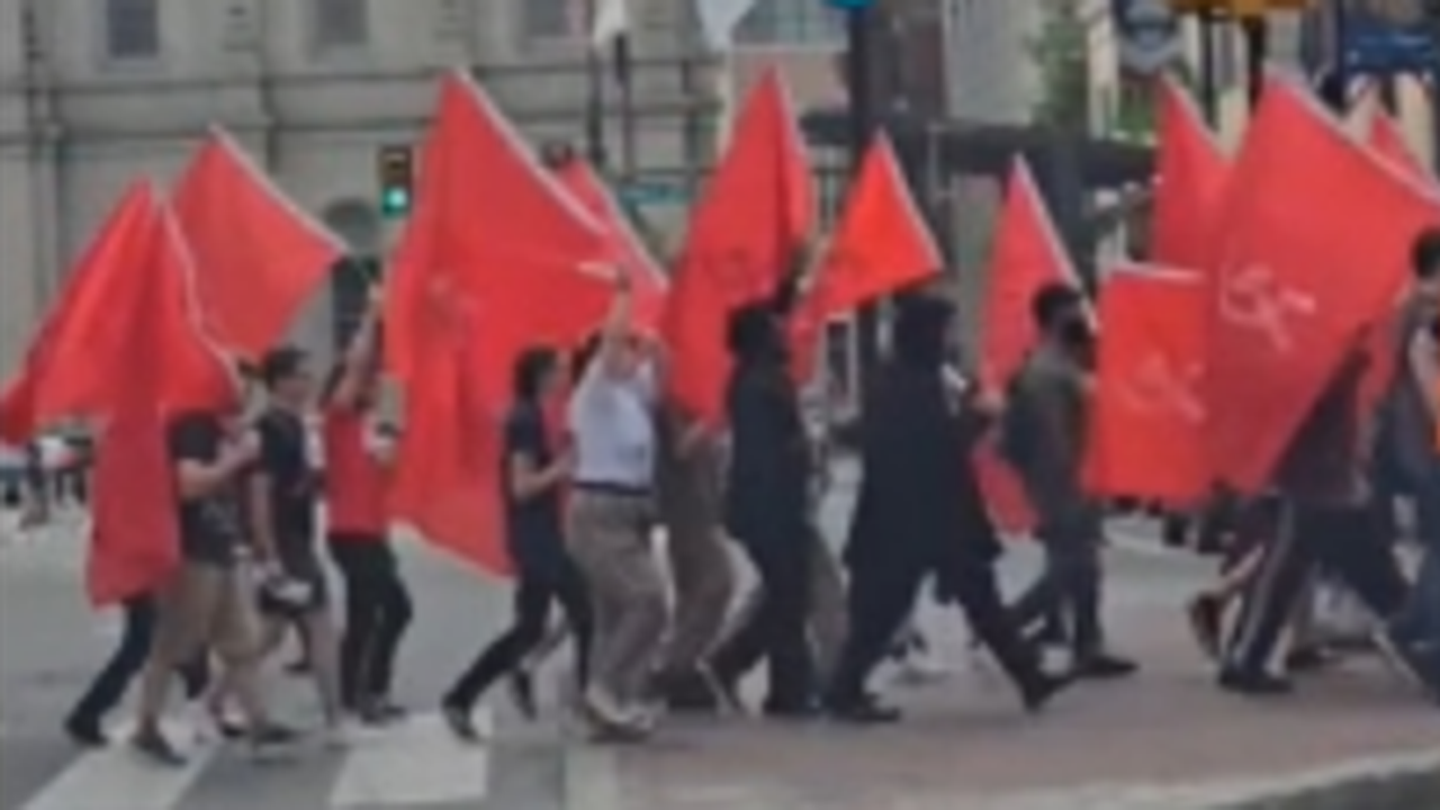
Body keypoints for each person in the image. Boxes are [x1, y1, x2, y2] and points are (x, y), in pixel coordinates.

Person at [825, 294, 1068, 722]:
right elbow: (935, 447)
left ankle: (1029, 677)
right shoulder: (908, 385)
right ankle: (843, 689)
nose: (952, 339)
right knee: (885, 612)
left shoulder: (910, 379)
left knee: (978, 602)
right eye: (946, 330)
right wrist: (978, 418)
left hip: (926, 517)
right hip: (916, 518)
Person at [1220, 342, 1415, 695]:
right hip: (1315, 473)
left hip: (1324, 471)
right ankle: (1245, 657)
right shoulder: (1315, 347)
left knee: (1308, 565)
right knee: (1301, 566)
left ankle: (1246, 655)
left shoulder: (1322, 341)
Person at [442, 345, 593, 741]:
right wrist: (561, 468)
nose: (566, 377)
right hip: (533, 536)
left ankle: (461, 696)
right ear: (542, 375)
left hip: (541, 532)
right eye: (560, 369)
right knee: (584, 609)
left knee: (530, 627)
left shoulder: (535, 416)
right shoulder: (524, 419)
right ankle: (590, 701)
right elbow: (521, 486)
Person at [130, 407, 294, 765]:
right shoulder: (193, 427)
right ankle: (147, 724)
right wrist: (238, 456)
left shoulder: (223, 429)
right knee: (174, 644)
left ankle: (259, 722)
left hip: (221, 548)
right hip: (193, 552)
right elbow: (188, 484)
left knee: (241, 643)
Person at [1004, 283, 1137, 678]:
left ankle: (1087, 642)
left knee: (1086, 567)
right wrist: (1068, 487)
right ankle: (1005, 626)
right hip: (1063, 485)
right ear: (1053, 316)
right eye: (1073, 308)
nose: (1082, 315)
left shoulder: (1067, 364)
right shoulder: (1046, 371)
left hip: (1076, 480)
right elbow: (1052, 438)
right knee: (1069, 568)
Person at [564, 271, 668, 739]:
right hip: (600, 510)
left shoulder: (631, 393)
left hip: (632, 512)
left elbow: (663, 374)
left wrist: (657, 338)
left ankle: (612, 705)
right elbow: (610, 348)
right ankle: (603, 689)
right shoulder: (595, 393)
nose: (630, 353)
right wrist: (623, 295)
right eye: (624, 347)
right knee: (647, 601)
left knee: (613, 613)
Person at [709, 279, 818, 717]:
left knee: (786, 594)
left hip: (777, 504)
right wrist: (797, 453)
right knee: (789, 593)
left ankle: (750, 668)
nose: (784, 331)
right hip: (767, 507)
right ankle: (785, 687)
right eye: (775, 327)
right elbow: (762, 455)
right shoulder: (757, 385)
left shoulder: (765, 378)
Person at [234, 346, 347, 742]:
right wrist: (267, 549)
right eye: (302, 375)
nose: (309, 382)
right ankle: (335, 718)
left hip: (295, 537)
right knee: (320, 628)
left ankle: (212, 702)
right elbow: (260, 489)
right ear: (282, 381)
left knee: (270, 633)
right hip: (286, 542)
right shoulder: (271, 428)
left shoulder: (295, 426)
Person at [324, 298, 412, 723]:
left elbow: (391, 470)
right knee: (382, 609)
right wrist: (372, 317)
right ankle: (359, 693)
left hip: (373, 531)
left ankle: (364, 691)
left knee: (380, 610)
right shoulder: (339, 420)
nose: (375, 383)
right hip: (350, 529)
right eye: (369, 380)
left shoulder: (375, 429)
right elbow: (356, 369)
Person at [1374, 227, 1440, 690]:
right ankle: (1418, 637)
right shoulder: (1424, 316)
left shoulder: (1412, 309)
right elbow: (1427, 385)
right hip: (1429, 445)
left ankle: (1409, 631)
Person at [649, 402, 735, 712]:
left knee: (694, 587)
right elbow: (681, 448)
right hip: (686, 507)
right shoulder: (672, 400)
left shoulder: (691, 395)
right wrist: (712, 419)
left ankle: (680, 666)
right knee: (716, 582)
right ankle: (675, 664)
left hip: (698, 502)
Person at [64, 593, 211, 747]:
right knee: (143, 645)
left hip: (149, 582)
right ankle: (87, 714)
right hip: (149, 582)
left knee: (152, 643)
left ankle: (87, 714)